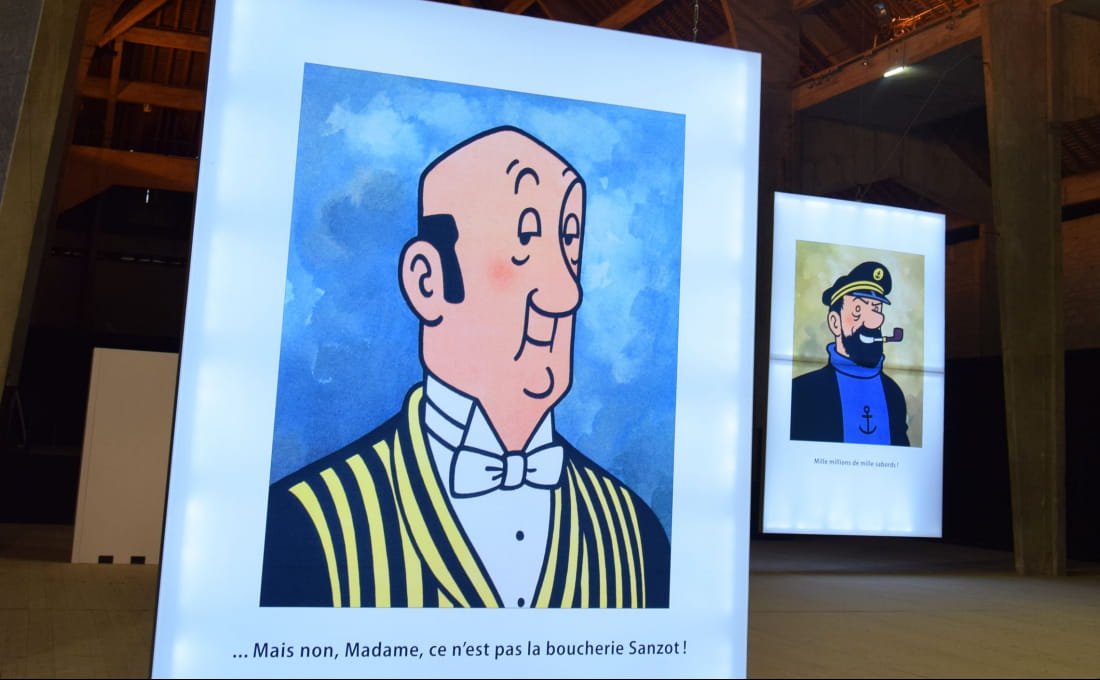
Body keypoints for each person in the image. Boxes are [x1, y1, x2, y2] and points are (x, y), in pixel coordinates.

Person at [260, 126, 670, 608]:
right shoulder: (308, 525)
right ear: (427, 281)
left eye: (569, 241)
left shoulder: (634, 535)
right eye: (525, 239)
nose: (566, 292)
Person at [790, 260, 910, 446]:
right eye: (857, 310)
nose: (871, 322)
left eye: (876, 309)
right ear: (835, 322)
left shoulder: (893, 393)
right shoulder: (803, 391)